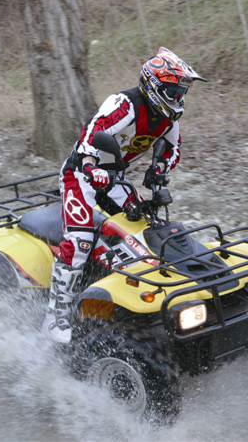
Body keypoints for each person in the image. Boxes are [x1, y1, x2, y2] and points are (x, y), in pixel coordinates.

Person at [47, 47, 206, 343]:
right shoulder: (125, 104)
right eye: (173, 91)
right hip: (80, 174)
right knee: (80, 241)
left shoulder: (168, 118)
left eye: (182, 92)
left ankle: (139, 299)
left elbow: (173, 149)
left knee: (144, 229)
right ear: (154, 86)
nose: (178, 98)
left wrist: (158, 167)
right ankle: (56, 316)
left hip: (114, 177)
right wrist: (90, 164)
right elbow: (94, 129)